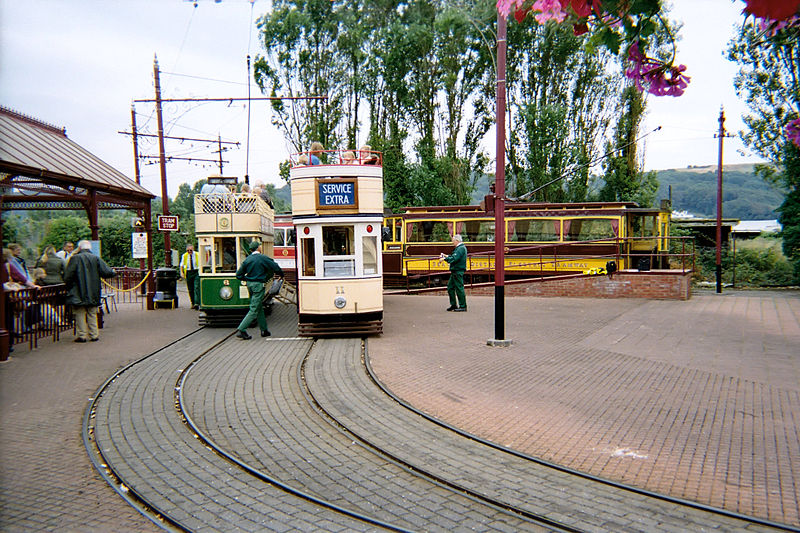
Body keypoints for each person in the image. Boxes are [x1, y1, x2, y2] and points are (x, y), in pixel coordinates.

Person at [64, 240, 116, 342]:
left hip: (77, 291)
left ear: (79, 248)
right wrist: (113, 272)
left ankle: (82, 335)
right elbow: (107, 272)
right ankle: (94, 334)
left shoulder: (74, 258)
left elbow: (68, 276)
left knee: (80, 313)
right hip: (93, 291)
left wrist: (70, 287)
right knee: (92, 312)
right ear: (89, 248)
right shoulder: (95, 258)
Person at [234, 240, 283, 340]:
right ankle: (241, 329)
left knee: (258, 306)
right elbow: (275, 266)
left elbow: (238, 275)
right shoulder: (262, 258)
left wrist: (248, 279)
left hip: (250, 285)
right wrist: (281, 274)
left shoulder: (247, 260)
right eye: (260, 246)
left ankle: (264, 330)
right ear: (258, 248)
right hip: (258, 286)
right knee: (254, 309)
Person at [440, 234, 467, 312]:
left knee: (459, 288)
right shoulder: (460, 248)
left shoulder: (460, 248)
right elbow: (454, 257)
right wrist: (446, 256)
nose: (452, 243)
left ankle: (462, 306)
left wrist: (444, 258)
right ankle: (454, 305)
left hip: (457, 271)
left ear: (457, 240)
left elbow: (454, 258)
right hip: (455, 271)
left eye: (453, 241)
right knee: (450, 288)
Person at [179, 243, 200, 309]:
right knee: (190, 289)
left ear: (193, 249)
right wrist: (182, 273)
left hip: (196, 272)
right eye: (188, 250)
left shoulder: (197, 254)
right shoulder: (184, 256)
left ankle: (197, 302)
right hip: (188, 273)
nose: (189, 252)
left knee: (196, 287)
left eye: (191, 250)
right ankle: (193, 303)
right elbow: (181, 265)